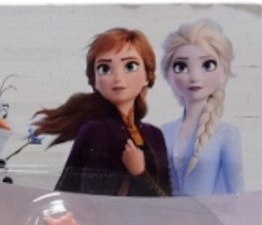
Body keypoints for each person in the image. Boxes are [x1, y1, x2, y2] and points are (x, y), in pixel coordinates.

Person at [34, 28, 171, 196]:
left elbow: (166, 201)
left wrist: (140, 174)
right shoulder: (95, 130)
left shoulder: (154, 135)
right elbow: (74, 192)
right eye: (104, 68)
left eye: (130, 66)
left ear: (147, 76)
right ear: (95, 81)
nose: (118, 78)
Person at [161, 19, 243, 195]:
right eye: (181, 66)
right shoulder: (162, 133)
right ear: (168, 75)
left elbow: (236, 194)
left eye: (207, 65)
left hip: (208, 213)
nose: (194, 77)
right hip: (165, 213)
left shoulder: (227, 135)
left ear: (223, 73)